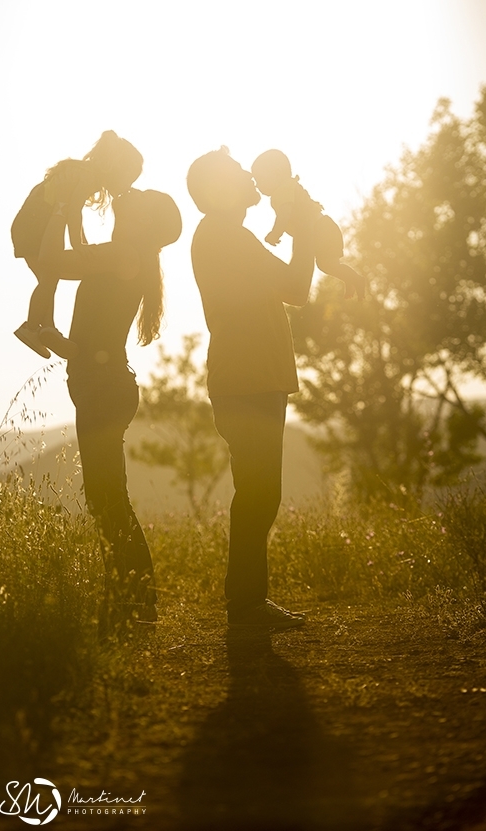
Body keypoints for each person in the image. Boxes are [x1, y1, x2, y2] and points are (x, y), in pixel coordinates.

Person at [38, 174, 182, 626]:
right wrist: (75, 213)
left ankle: (132, 604)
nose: (128, 196)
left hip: (101, 388)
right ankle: (131, 601)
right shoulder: (125, 255)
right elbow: (79, 253)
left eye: (138, 200)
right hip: (104, 384)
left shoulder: (122, 254)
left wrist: (61, 208)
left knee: (106, 499)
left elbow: (50, 262)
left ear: (143, 221)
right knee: (107, 497)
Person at [187, 147, 316, 629]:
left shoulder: (225, 235)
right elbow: (297, 288)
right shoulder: (226, 236)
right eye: (240, 173)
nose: (250, 178)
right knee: (258, 493)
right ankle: (245, 605)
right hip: (247, 379)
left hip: (249, 377)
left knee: (260, 492)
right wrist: (302, 228)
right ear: (220, 190)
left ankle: (246, 602)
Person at [11, 131, 143, 359]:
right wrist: (77, 244)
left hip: (32, 223)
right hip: (33, 227)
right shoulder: (89, 176)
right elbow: (72, 212)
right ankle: (31, 328)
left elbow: (74, 212)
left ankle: (48, 328)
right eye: (128, 179)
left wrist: (81, 242)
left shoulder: (85, 173)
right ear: (117, 169)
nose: (127, 187)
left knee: (48, 278)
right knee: (48, 278)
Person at [252, 149, 365, 300]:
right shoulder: (289, 186)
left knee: (326, 265)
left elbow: (284, 214)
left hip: (321, 230)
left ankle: (356, 279)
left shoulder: (282, 191)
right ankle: (350, 279)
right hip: (325, 226)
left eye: (260, 179)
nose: (257, 185)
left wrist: (275, 233)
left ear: (277, 174)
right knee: (328, 264)